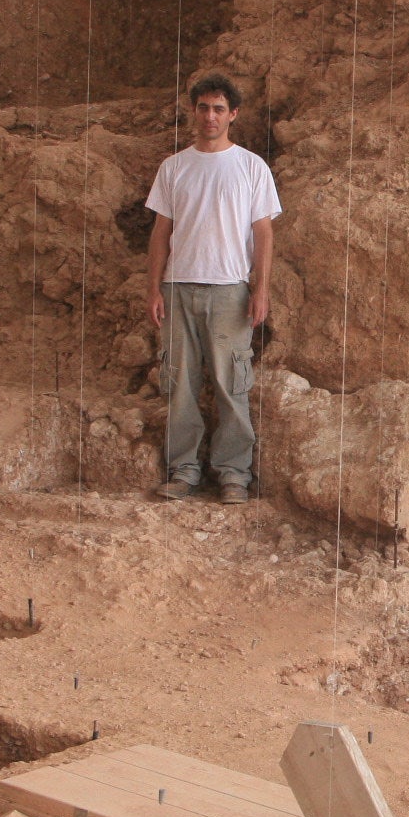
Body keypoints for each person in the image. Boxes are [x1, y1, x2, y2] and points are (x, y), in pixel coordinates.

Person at [144, 72, 280, 503]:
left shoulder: (251, 166)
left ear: (233, 115)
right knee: (180, 383)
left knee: (231, 384)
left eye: (219, 108)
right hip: (178, 287)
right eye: (203, 107)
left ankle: (233, 474)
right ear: (194, 112)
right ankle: (183, 471)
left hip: (229, 290)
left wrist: (260, 289)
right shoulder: (175, 167)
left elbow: (263, 233)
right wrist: (153, 289)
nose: (210, 116)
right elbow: (160, 232)